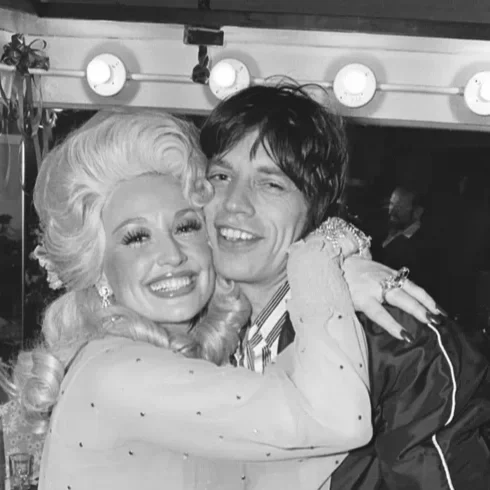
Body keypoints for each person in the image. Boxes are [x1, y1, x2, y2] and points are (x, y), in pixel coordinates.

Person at [0, 109, 378, 490]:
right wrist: (317, 257)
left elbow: (274, 467)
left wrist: (342, 283)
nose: (171, 255)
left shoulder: (166, 366)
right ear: (99, 268)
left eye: (185, 226)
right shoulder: (116, 374)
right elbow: (338, 419)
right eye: (136, 237)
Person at [200, 83, 490, 489]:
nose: (234, 203)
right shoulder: (183, 327)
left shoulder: (391, 341)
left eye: (271, 184)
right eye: (220, 175)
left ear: (315, 206)